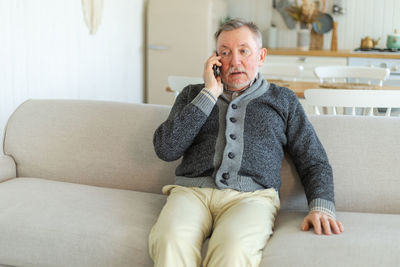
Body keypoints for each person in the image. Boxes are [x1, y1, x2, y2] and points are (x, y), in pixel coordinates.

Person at [149, 18, 344, 267]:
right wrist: (209, 93)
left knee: (233, 251)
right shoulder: (192, 94)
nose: (235, 61)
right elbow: (166, 148)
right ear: (215, 60)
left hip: (252, 198)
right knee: (170, 239)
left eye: (244, 51)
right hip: (191, 194)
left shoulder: (283, 100)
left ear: (261, 56)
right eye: (225, 53)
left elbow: (313, 160)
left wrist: (321, 207)